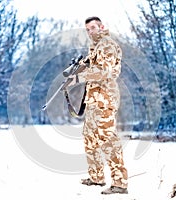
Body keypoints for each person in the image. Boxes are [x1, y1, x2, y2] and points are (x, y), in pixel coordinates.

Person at [68, 16, 128, 195]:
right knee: (90, 137)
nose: (90, 32)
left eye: (93, 28)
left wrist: (78, 77)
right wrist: (80, 67)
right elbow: (93, 68)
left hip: (105, 98)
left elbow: (104, 72)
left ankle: (120, 183)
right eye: (87, 29)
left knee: (107, 138)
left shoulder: (107, 45)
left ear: (101, 27)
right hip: (94, 99)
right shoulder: (95, 48)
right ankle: (96, 177)